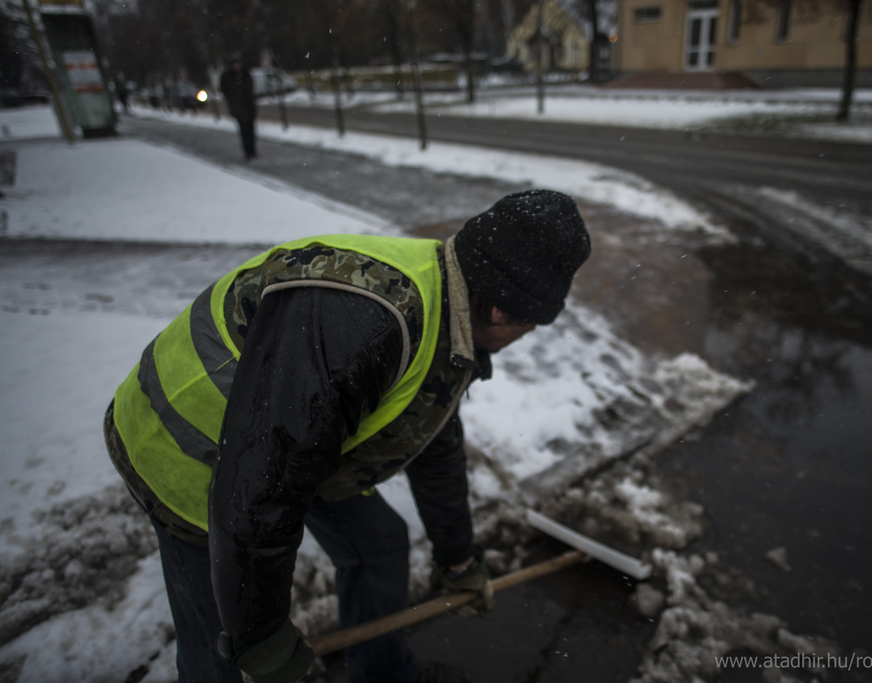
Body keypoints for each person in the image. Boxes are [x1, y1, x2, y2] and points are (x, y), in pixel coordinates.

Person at [103, 190, 591, 683]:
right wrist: (257, 633)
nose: (523, 338)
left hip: (287, 443)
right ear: (502, 313)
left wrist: (458, 558)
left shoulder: (450, 301)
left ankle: (382, 676)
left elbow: (432, 438)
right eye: (530, 326)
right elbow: (264, 482)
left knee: (377, 543)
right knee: (221, 654)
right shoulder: (371, 324)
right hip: (184, 448)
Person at [219, 53, 257, 160]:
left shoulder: (245, 75)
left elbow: (250, 89)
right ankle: (248, 152)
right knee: (244, 131)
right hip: (238, 108)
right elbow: (225, 91)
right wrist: (233, 101)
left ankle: (252, 150)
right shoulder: (228, 77)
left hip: (249, 107)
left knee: (251, 130)